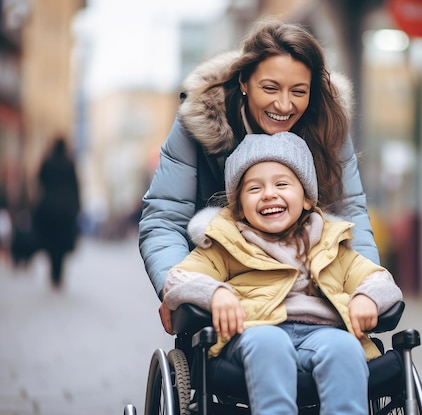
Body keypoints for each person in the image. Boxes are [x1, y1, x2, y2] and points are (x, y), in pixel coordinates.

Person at [139, 19, 380, 334]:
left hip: (311, 298)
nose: (283, 104)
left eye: (299, 91)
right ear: (243, 82)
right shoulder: (198, 122)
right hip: (224, 296)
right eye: (270, 88)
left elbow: (351, 217)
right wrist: (181, 286)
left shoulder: (328, 125)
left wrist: (367, 290)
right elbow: (164, 219)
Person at [163, 132, 403, 415]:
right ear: (238, 206)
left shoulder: (331, 243)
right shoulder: (225, 244)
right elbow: (178, 278)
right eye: (254, 188)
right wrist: (215, 293)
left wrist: (366, 297)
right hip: (253, 332)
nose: (269, 194)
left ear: (306, 199)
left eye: (281, 184)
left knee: (345, 349)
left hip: (322, 332)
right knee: (270, 344)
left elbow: (380, 280)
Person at [33, 137, 81, 288]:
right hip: (65, 212)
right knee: (61, 244)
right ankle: (58, 274)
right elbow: (76, 188)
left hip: (49, 210)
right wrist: (77, 208)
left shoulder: (48, 162)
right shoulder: (70, 163)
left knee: (51, 243)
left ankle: (54, 273)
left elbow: (39, 180)